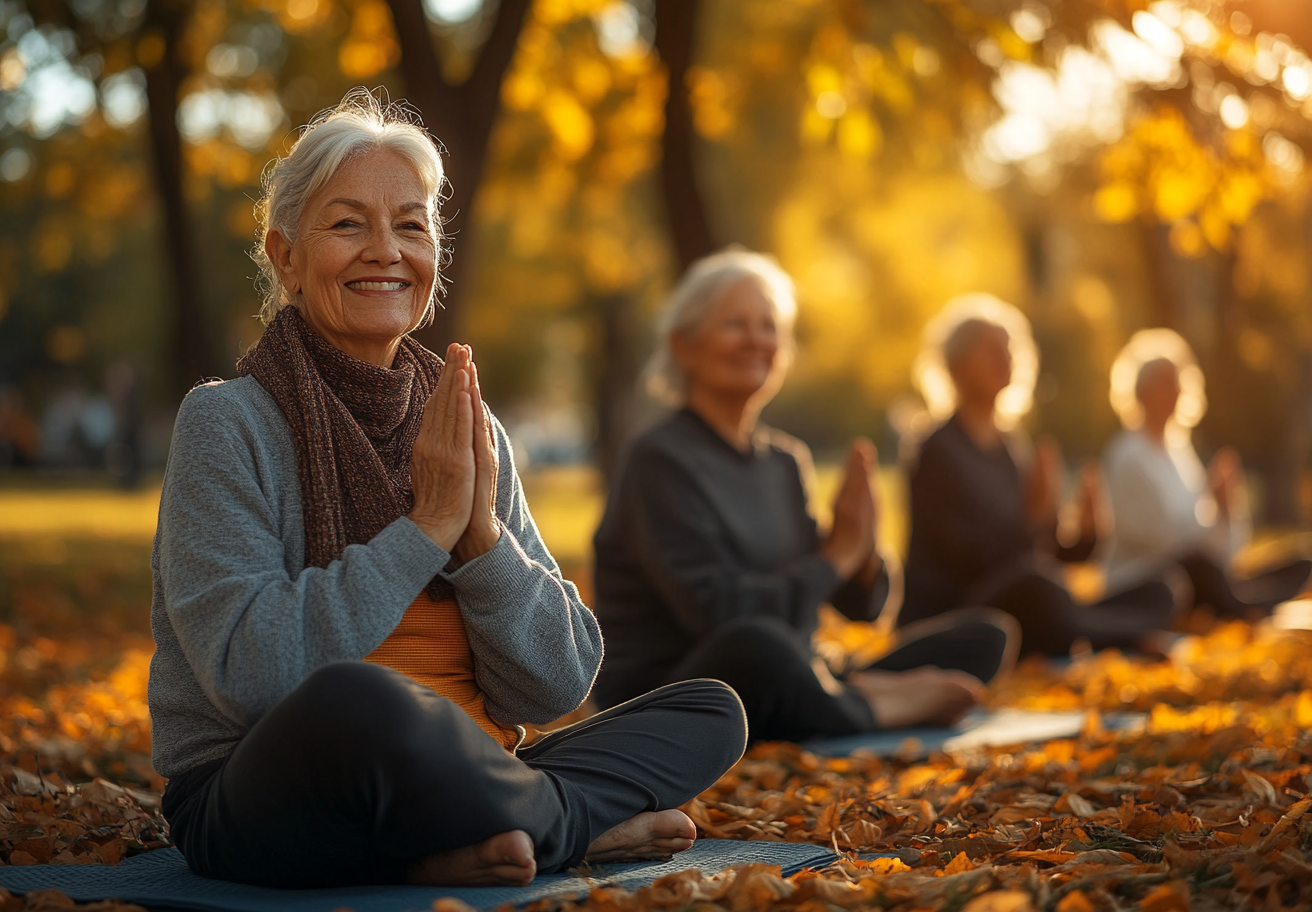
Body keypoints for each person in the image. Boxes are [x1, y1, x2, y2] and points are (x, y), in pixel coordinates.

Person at [147, 90, 746, 891]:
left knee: (712, 711)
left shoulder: (469, 427)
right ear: (285, 256)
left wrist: (481, 544)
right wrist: (425, 530)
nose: (384, 249)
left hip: (482, 761)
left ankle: (468, 833)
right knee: (360, 702)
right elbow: (254, 676)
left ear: (435, 254)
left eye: (411, 225)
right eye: (348, 223)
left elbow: (561, 682)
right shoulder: (226, 423)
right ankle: (571, 823)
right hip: (275, 782)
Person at [592, 250, 1017, 745]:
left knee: (986, 636)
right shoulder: (659, 459)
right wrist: (836, 556)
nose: (756, 340)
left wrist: (859, 550)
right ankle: (866, 705)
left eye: (768, 327)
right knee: (758, 642)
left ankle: (839, 695)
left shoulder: (784, 462)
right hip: (677, 690)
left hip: (793, 668)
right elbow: (721, 615)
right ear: (684, 346)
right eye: (734, 325)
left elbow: (860, 605)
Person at [899, 295, 1176, 657]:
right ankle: (1124, 636)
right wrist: (1033, 520)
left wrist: (1087, 535)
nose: (1005, 360)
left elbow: (1045, 551)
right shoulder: (935, 450)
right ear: (956, 365)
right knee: (1037, 588)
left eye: (1009, 350)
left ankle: (1110, 630)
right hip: (957, 612)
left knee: (1160, 587)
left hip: (1026, 597)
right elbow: (974, 559)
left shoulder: (1013, 448)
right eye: (990, 351)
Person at [1102, 329, 1311, 617]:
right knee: (1201, 571)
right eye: (1166, 383)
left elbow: (1223, 550)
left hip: (1199, 572)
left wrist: (1226, 510)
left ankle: (1251, 599)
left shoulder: (1180, 454)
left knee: (1301, 561)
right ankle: (1250, 604)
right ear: (1142, 390)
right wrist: (1209, 505)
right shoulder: (1127, 455)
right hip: (1147, 580)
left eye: (1177, 384)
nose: (1175, 392)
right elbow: (1164, 540)